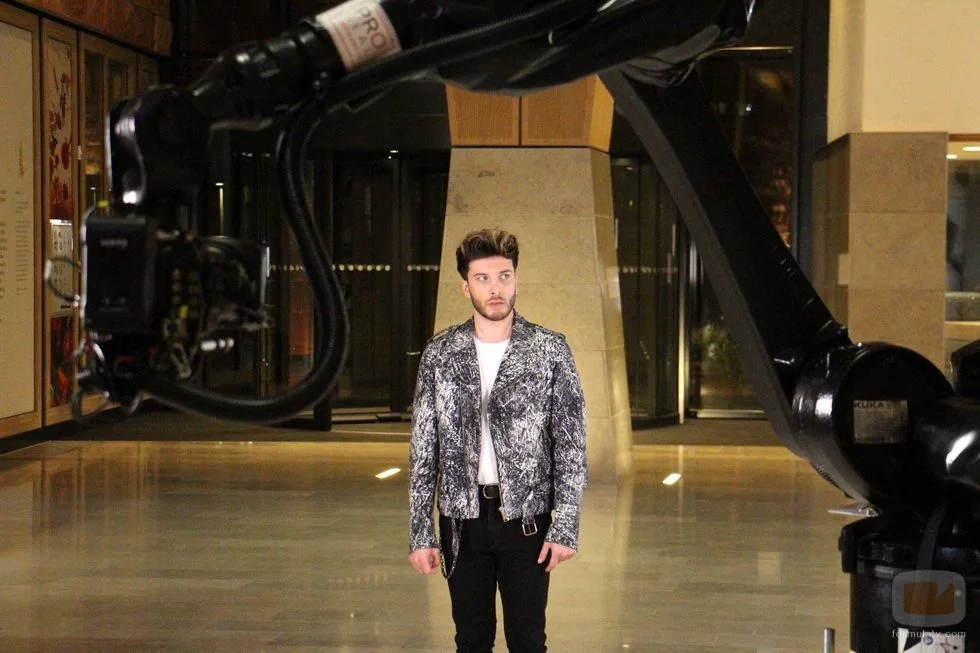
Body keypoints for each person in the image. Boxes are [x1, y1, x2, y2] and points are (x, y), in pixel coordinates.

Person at [408, 228, 588, 653]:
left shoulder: (548, 350)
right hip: (461, 521)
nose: (495, 288)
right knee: (471, 641)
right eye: (483, 278)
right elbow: (423, 451)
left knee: (528, 641)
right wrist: (420, 534)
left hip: (526, 522)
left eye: (504, 276)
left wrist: (565, 527)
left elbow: (571, 446)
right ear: (465, 286)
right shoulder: (441, 354)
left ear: (516, 280)